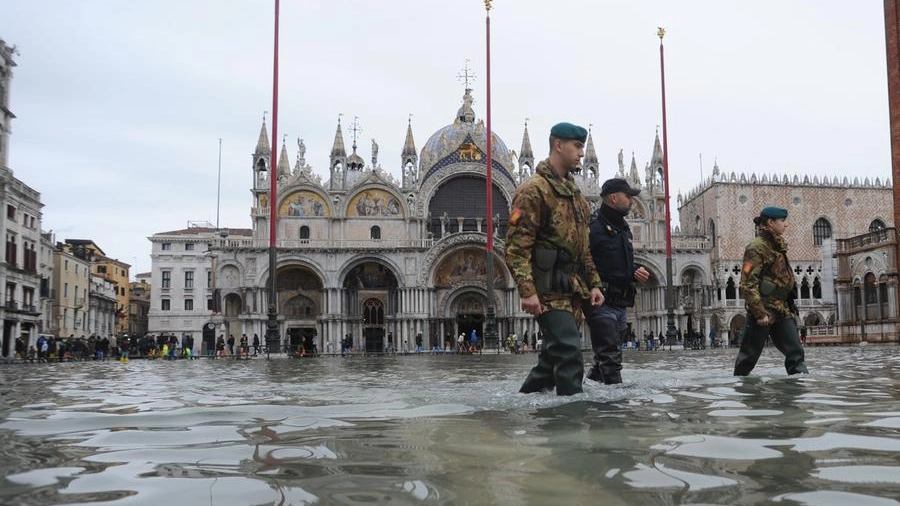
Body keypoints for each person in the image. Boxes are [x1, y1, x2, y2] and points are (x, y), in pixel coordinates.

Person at [505, 122, 605, 396]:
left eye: (583, 147)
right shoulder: (533, 191)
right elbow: (515, 246)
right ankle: (570, 425)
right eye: (577, 146)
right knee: (570, 352)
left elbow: (583, 248)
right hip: (546, 289)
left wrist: (594, 284)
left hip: (571, 287)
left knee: (552, 360)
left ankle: (523, 405)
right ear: (558, 145)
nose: (581, 154)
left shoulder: (577, 198)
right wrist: (527, 291)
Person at [584, 178, 650, 385]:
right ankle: (617, 408)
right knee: (610, 358)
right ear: (614, 197)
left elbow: (618, 262)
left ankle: (588, 392)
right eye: (628, 196)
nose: (631, 201)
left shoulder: (622, 227)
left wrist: (634, 272)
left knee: (604, 359)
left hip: (621, 303)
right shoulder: (593, 227)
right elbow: (583, 260)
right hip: (601, 303)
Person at [734, 206, 809, 376]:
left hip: (782, 308)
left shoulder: (777, 246)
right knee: (748, 357)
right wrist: (759, 313)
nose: (786, 225)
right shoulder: (755, 248)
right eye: (782, 221)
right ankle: (741, 389)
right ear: (770, 222)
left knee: (795, 351)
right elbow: (747, 283)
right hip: (764, 309)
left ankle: (798, 388)